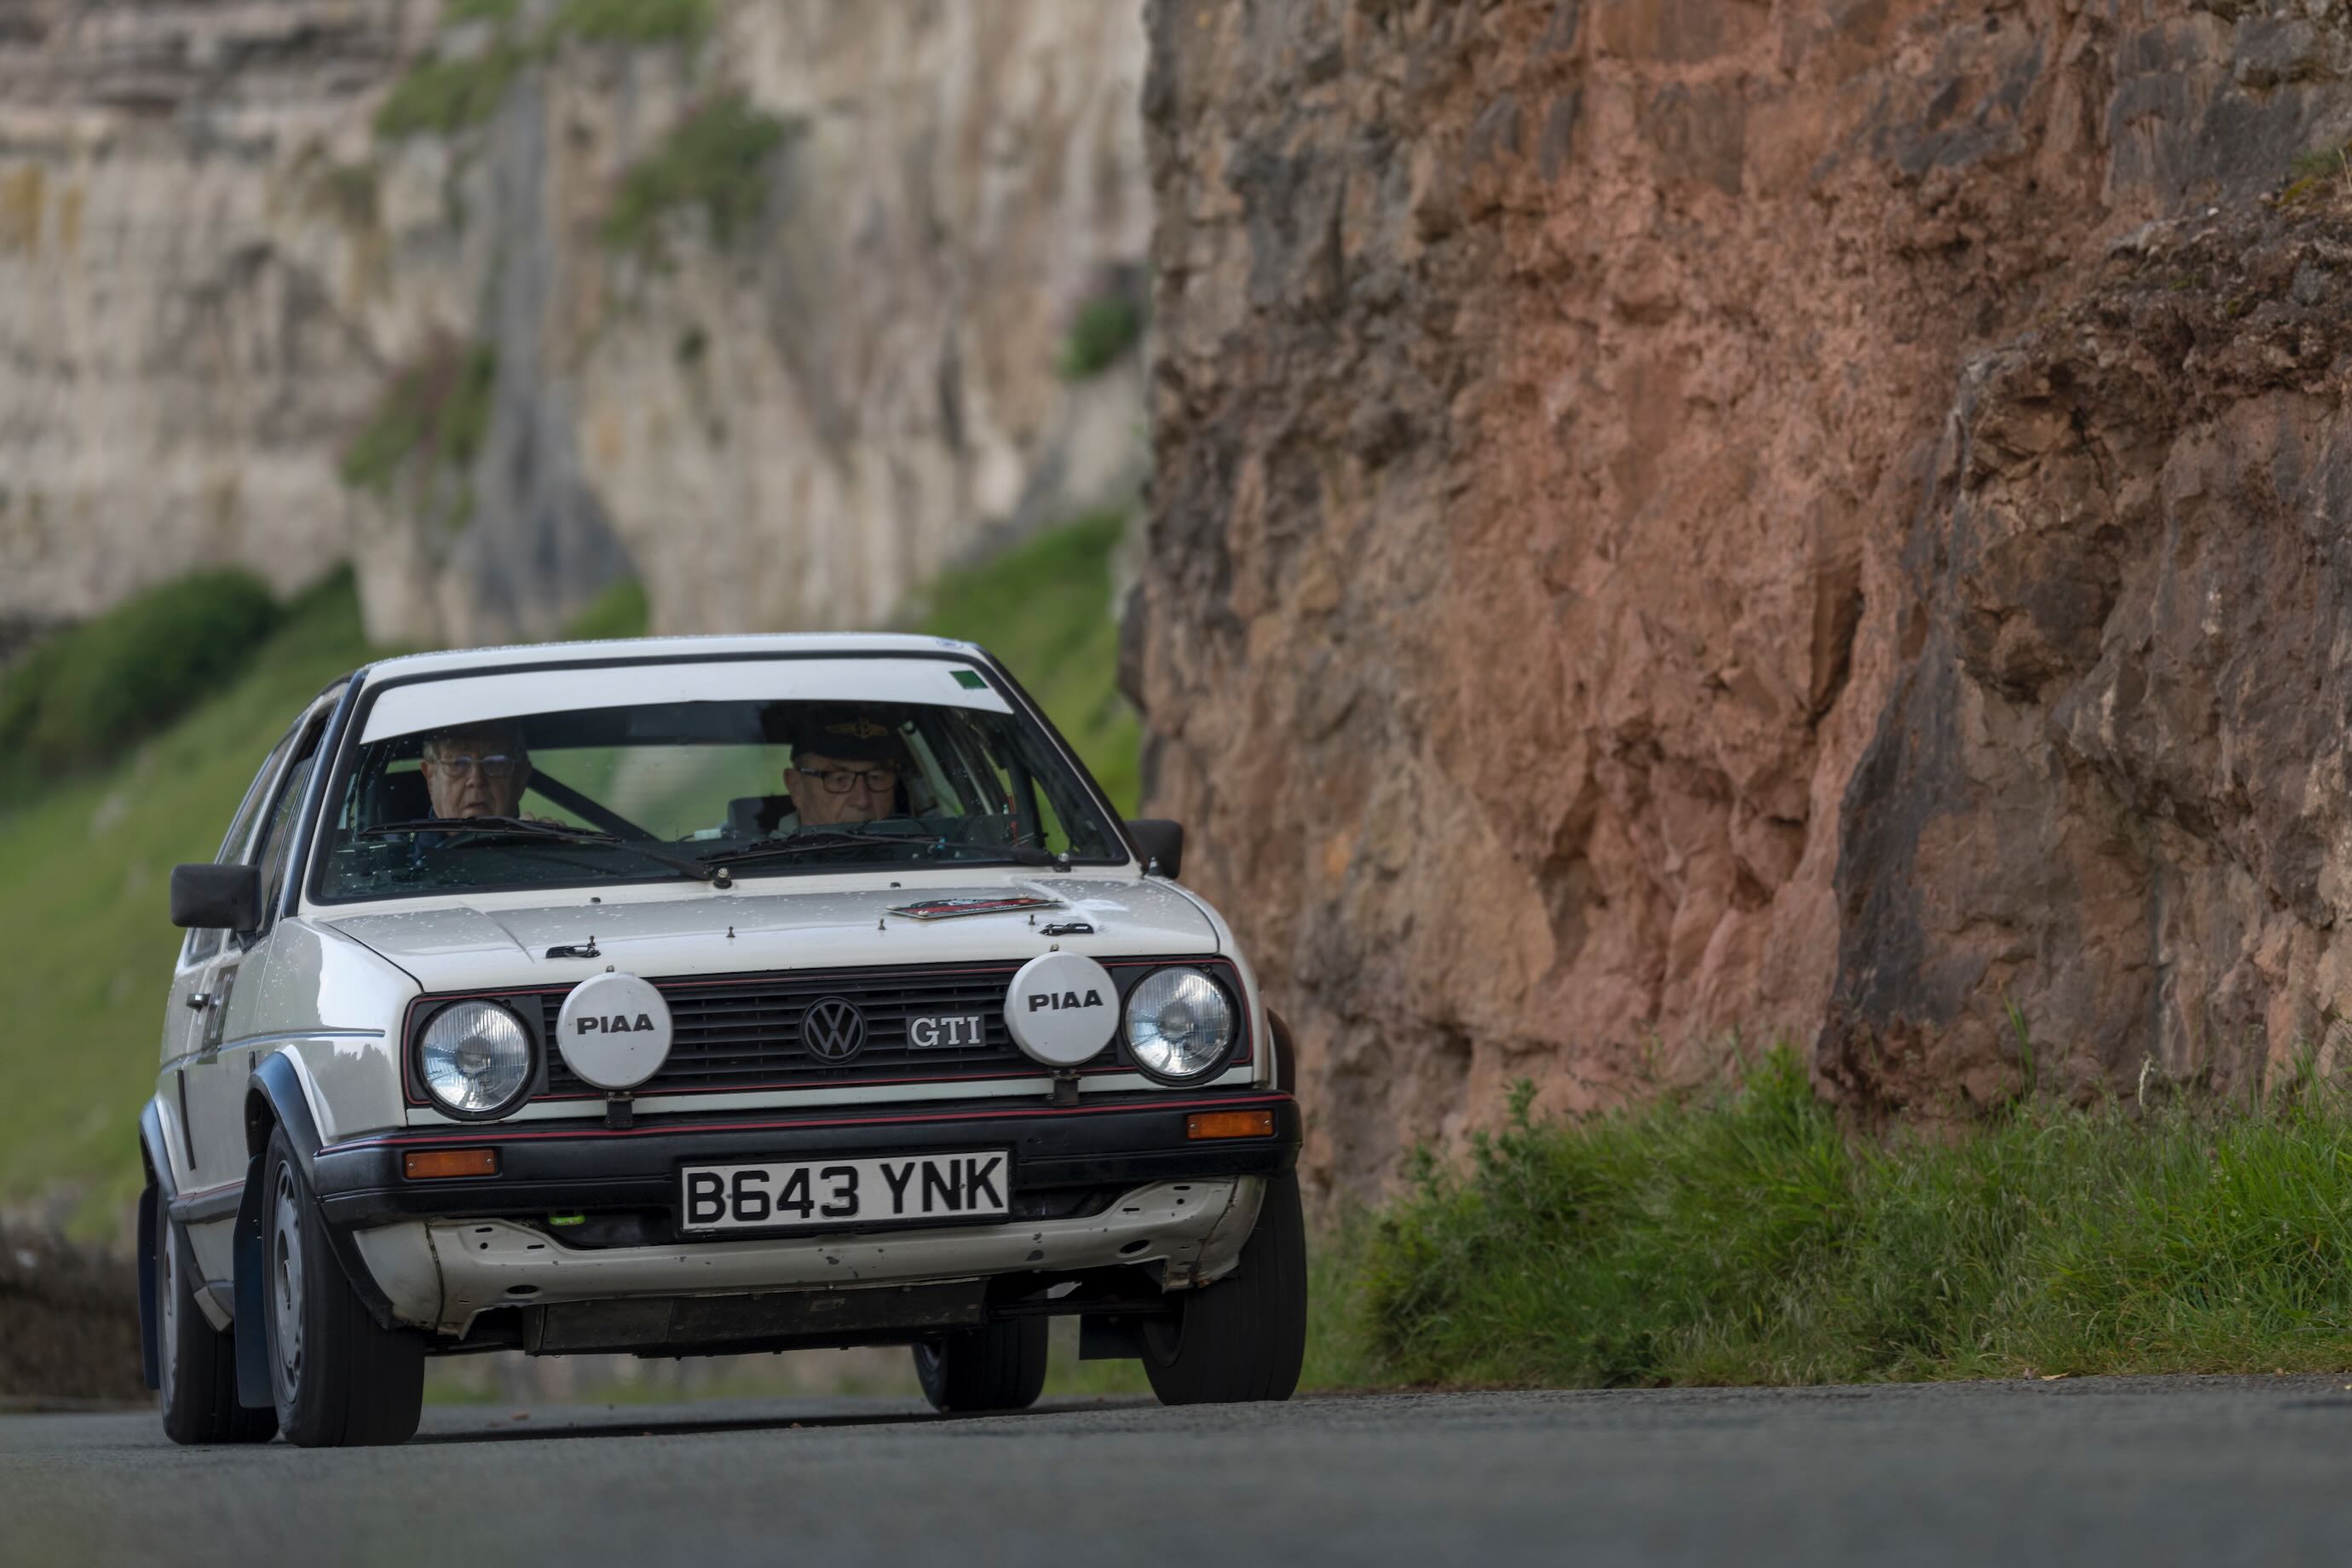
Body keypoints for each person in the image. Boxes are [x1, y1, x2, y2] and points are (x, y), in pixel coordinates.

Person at [781, 709, 908, 829]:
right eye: (840, 779)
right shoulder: (773, 847)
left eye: (876, 777)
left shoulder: (915, 840)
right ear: (796, 787)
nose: (863, 801)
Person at [419, 722, 533, 820]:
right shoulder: (410, 839)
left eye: (494, 763)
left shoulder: (538, 838)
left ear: (521, 779)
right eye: (458, 763)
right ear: (431, 778)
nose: (477, 780)